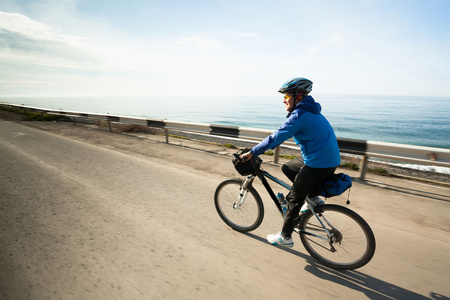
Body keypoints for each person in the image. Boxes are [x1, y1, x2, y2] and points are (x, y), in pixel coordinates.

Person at [240, 77, 341, 248]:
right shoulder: (311, 110)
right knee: (288, 168)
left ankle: (286, 236)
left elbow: (275, 137)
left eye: (287, 96)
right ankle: (314, 199)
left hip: (318, 163)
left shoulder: (299, 115)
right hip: (328, 160)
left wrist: (252, 152)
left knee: (294, 198)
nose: (284, 100)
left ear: (298, 96)